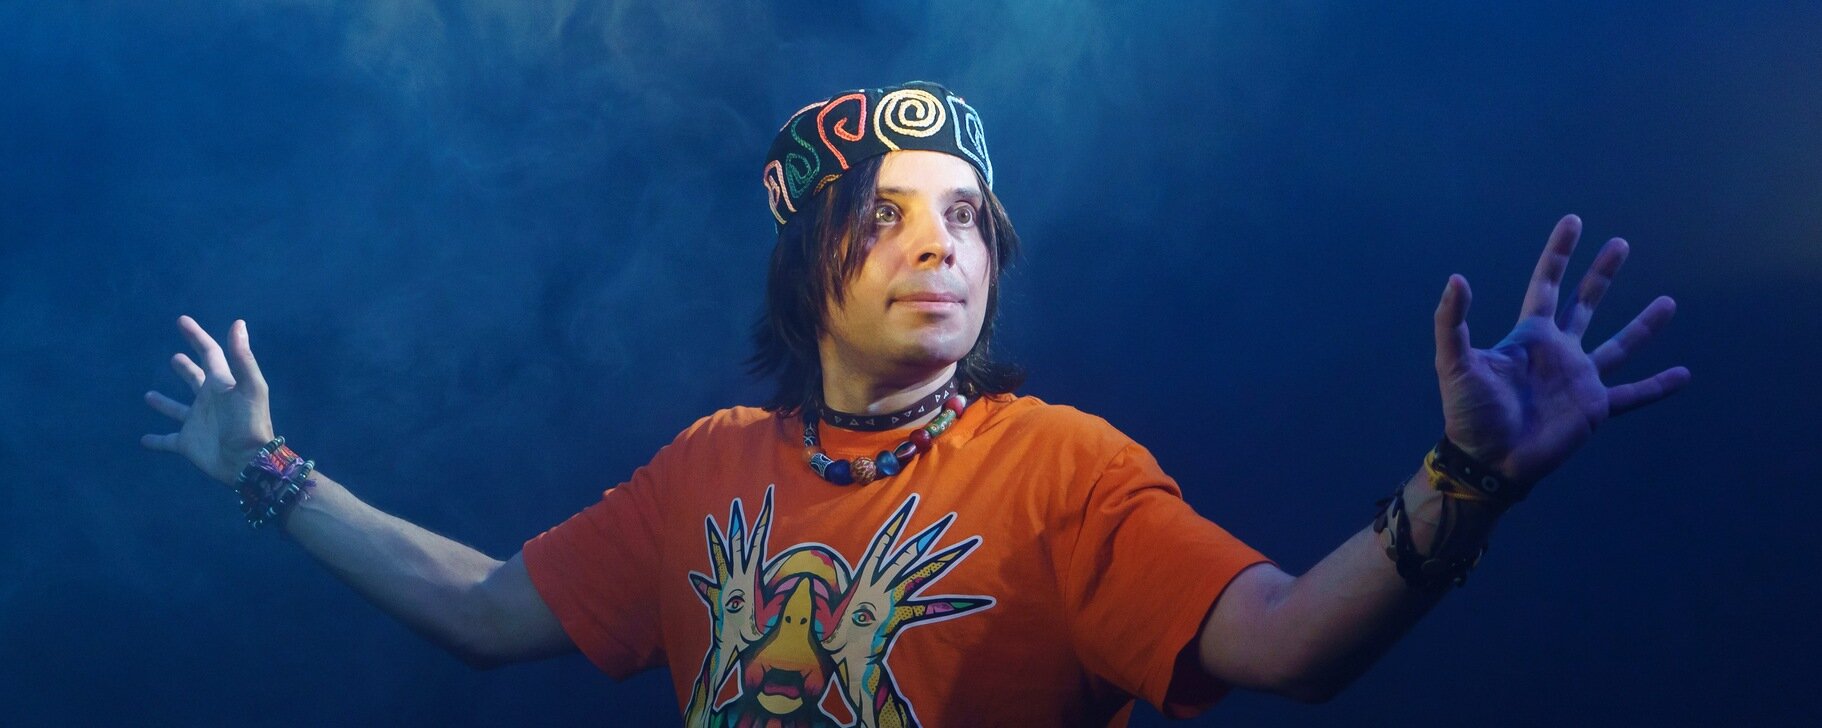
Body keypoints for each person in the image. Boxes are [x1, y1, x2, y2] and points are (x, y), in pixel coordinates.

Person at [140, 81, 1690, 726]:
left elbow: (1285, 644)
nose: (936, 246)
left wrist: (1466, 477)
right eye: (884, 216)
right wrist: (266, 470)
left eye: (962, 217)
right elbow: (486, 610)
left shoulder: (1058, 465)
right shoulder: (711, 466)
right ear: (803, 264)